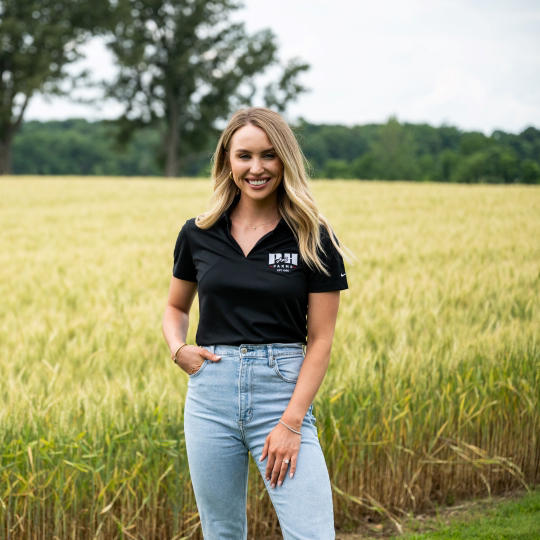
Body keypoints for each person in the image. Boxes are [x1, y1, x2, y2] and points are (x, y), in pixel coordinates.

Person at [162, 107, 351, 540]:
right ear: (227, 161)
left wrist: (290, 423)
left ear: (285, 159)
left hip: (282, 393)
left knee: (312, 533)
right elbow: (175, 307)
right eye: (244, 156)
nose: (257, 168)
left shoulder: (312, 235)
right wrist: (177, 347)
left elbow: (321, 340)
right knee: (222, 532)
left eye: (269, 155)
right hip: (210, 395)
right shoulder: (198, 233)